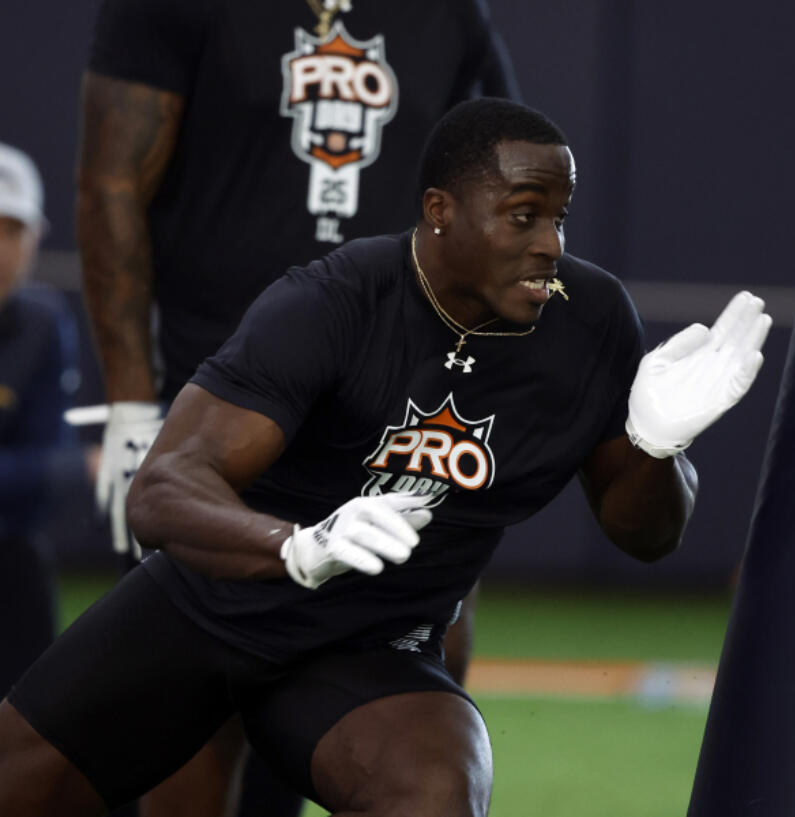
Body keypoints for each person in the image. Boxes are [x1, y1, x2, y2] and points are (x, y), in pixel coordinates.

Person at [0, 98, 772, 816]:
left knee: (433, 791)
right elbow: (160, 491)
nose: (550, 245)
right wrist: (296, 545)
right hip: (207, 611)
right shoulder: (336, 300)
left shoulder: (589, 321)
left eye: (560, 217)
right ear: (440, 211)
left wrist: (657, 446)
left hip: (372, 644)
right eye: (523, 215)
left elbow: (644, 533)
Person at [77, 1, 518, 813]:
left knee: (412, 714)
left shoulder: (449, 14)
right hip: (220, 407)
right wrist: (132, 408)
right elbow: (111, 186)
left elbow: (501, 192)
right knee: (187, 721)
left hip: (396, 410)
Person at [0, 142, 84, 706]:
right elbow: (62, 466)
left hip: (10, 553)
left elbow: (55, 472)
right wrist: (73, 466)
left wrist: (66, 468)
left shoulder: (42, 323)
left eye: (11, 230)